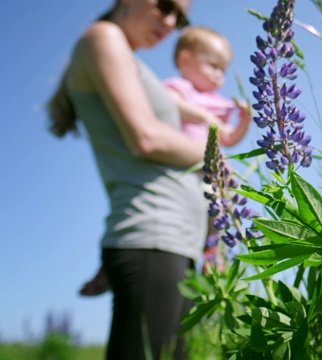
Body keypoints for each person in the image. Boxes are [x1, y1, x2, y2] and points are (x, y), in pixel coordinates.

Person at [47, 1, 206, 358]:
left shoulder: (132, 62)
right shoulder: (103, 38)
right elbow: (146, 137)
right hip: (153, 236)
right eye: (164, 6)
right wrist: (217, 157)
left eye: (180, 17)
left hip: (174, 242)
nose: (169, 21)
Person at [78, 25, 250, 295]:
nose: (220, 75)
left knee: (222, 209)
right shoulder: (178, 88)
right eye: (213, 66)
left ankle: (214, 254)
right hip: (182, 165)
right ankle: (104, 271)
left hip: (206, 172)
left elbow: (228, 138)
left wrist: (244, 123)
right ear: (186, 61)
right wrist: (205, 115)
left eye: (223, 70)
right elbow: (171, 103)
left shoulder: (218, 101)